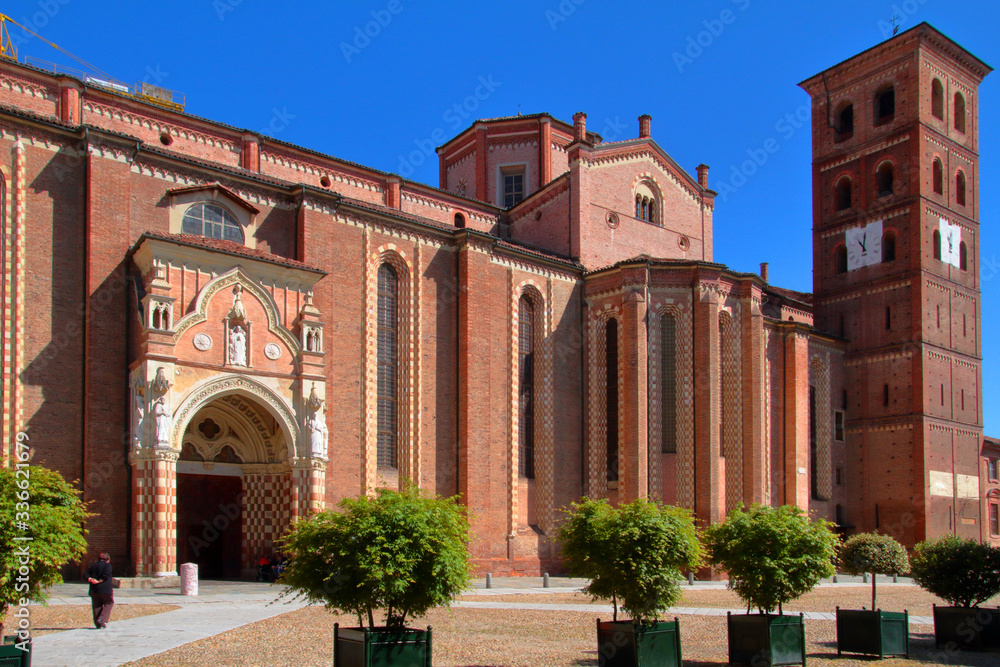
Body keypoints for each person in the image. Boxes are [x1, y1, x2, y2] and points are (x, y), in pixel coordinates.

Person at [85, 552, 114, 629]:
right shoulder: (107, 566)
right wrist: (99, 581)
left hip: (94, 590)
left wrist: (90, 579)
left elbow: (86, 574)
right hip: (105, 590)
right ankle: (102, 619)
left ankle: (98, 624)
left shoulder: (93, 565)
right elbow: (106, 575)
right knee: (109, 603)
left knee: (96, 606)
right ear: (107, 559)